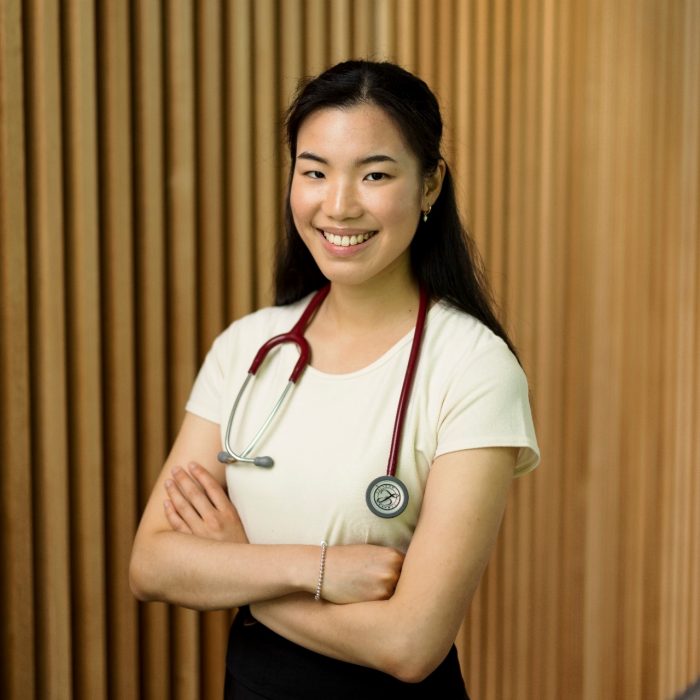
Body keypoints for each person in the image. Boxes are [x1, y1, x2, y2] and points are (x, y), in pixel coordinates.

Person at [129, 60, 539, 699]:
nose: (338, 205)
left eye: (375, 174)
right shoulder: (249, 348)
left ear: (430, 186)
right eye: (314, 171)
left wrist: (240, 573)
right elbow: (153, 565)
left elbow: (409, 646)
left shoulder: (473, 368)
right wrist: (317, 569)